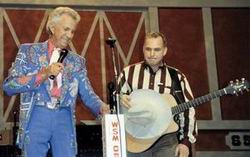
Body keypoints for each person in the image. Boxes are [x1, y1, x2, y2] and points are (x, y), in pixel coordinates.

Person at [3, 7, 110, 157]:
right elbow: (9, 85)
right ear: (52, 27)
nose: (70, 35)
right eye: (66, 29)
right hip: (37, 114)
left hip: (64, 116)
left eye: (72, 31)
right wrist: (44, 74)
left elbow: (88, 94)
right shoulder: (28, 51)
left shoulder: (77, 61)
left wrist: (101, 108)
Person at [118, 32, 197, 157]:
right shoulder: (128, 73)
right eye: (148, 49)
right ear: (143, 49)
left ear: (165, 51)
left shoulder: (177, 77)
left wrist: (185, 142)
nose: (152, 54)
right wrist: (119, 99)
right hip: (136, 140)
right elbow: (114, 106)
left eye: (157, 49)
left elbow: (188, 110)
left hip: (166, 141)